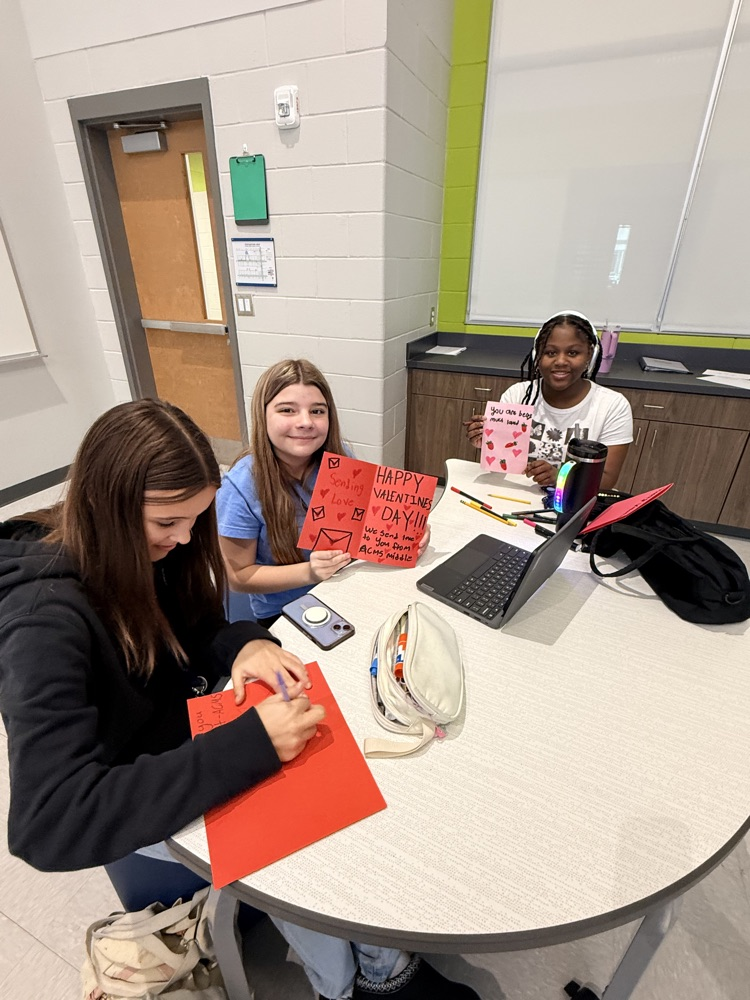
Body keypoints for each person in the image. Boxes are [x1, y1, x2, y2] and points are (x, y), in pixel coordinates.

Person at [0, 399, 475, 1000]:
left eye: (195, 521)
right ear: (105, 503)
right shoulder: (41, 621)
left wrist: (242, 645)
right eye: (167, 523)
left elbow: (194, 629)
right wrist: (249, 744)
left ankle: (381, 964)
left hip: (191, 735)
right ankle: (351, 985)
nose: (183, 539)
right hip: (135, 787)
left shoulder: (145, 547)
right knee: (293, 843)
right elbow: (48, 822)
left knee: (333, 782)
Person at [217, 359, 430, 627]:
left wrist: (407, 528)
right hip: (284, 611)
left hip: (344, 587)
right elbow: (238, 577)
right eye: (287, 410)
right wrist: (310, 571)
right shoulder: (239, 488)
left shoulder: (339, 457)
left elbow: (365, 522)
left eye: (317, 411)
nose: (306, 422)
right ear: (263, 415)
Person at [464, 311, 633, 489]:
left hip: (571, 504)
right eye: (550, 353)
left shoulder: (612, 406)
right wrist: (487, 442)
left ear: (589, 355)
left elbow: (606, 481)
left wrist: (560, 477)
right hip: (514, 497)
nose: (560, 361)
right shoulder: (517, 395)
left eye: (573, 353)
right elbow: (501, 463)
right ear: (538, 356)